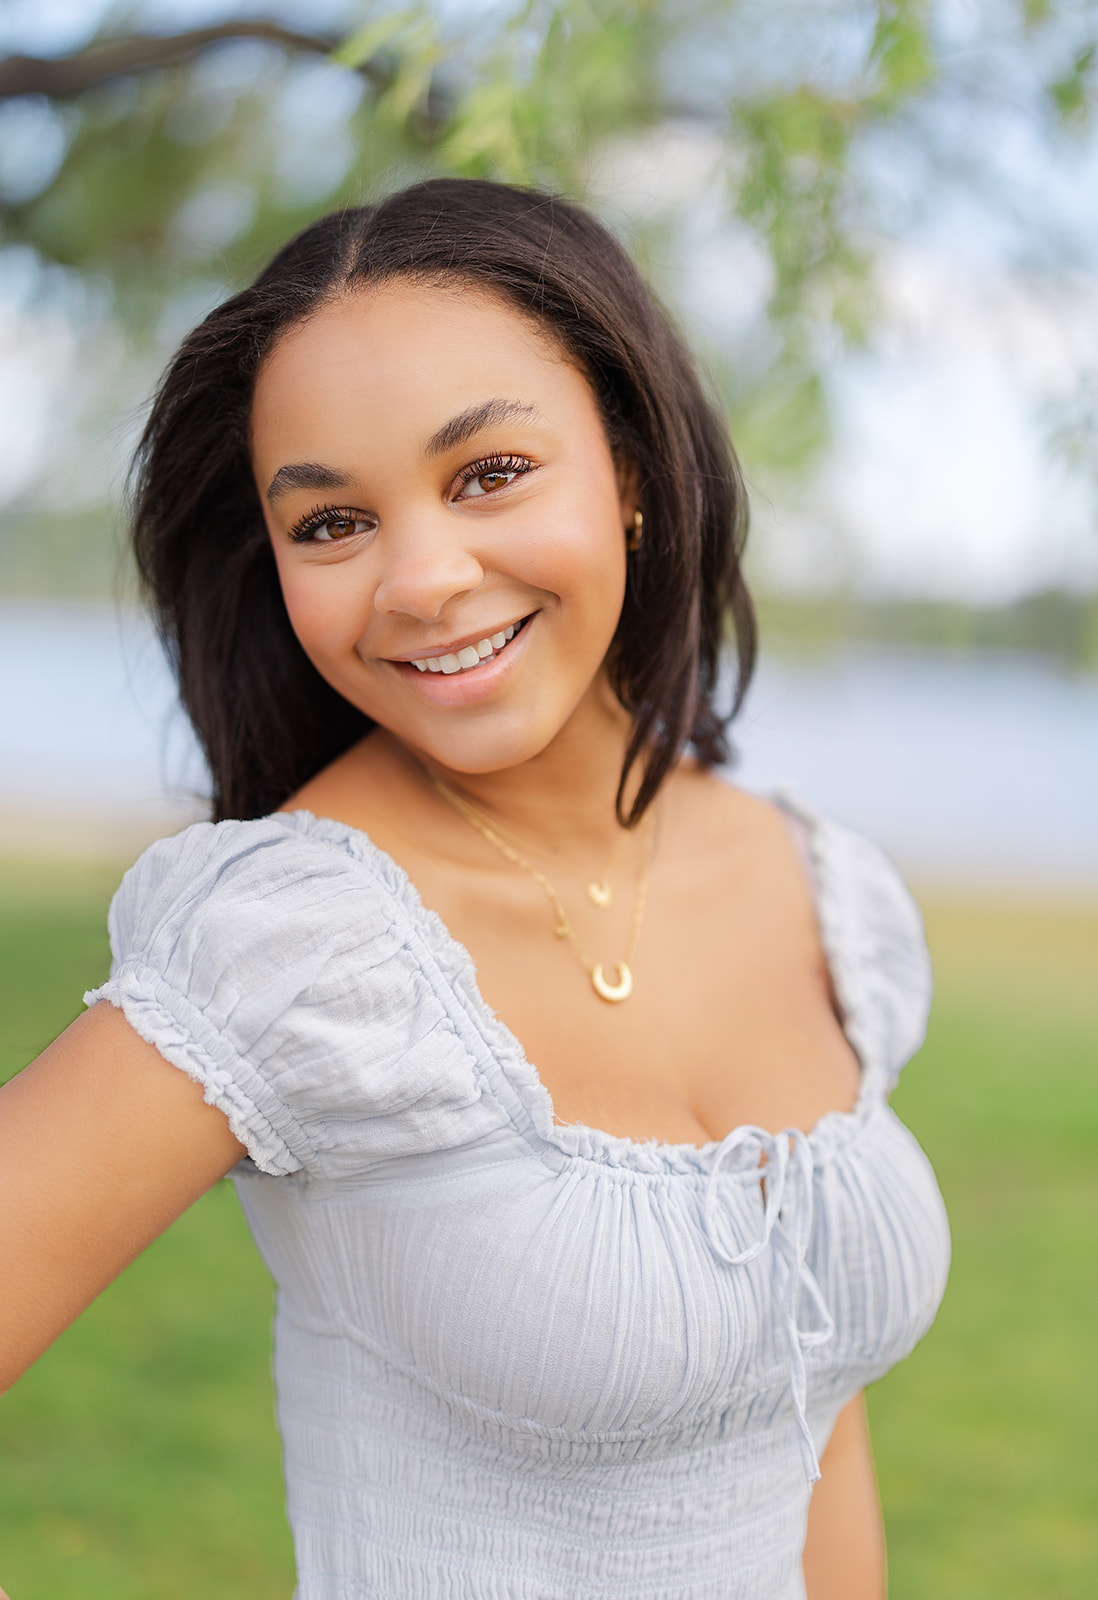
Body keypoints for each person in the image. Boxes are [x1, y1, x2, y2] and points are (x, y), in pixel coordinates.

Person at [0, 178, 950, 1599]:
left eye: (488, 474)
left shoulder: (817, 885)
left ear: (627, 471)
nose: (424, 579)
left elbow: (810, 1414)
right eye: (330, 524)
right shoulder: (295, 942)